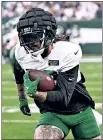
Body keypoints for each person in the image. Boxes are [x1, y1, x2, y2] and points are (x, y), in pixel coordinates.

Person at [13, 8, 101, 139]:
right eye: (26, 38)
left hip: (80, 109)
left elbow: (63, 96)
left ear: (49, 35)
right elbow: (18, 71)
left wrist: (36, 94)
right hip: (52, 112)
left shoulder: (67, 52)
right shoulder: (21, 53)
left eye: (35, 37)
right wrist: (22, 98)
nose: (30, 43)